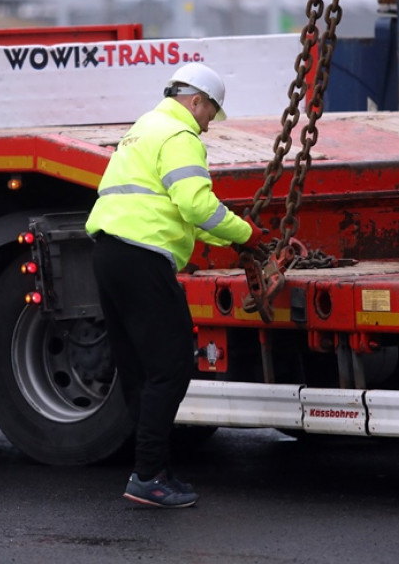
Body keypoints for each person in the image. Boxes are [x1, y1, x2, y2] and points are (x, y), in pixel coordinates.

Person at [86, 62, 266, 508]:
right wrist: (248, 234)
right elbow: (197, 204)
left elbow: (176, 210)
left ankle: (152, 470)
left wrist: (230, 241)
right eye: (211, 113)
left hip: (109, 253)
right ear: (196, 101)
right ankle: (148, 476)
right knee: (171, 366)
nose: (209, 125)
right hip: (142, 257)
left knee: (138, 370)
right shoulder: (180, 135)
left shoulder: (144, 128)